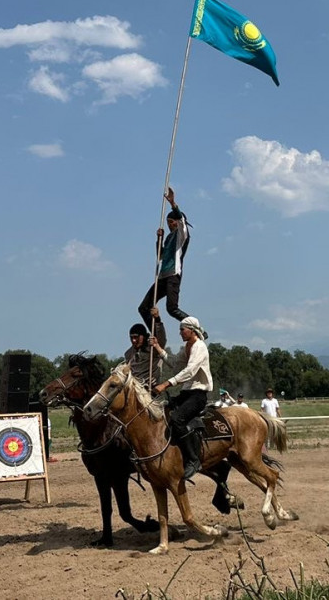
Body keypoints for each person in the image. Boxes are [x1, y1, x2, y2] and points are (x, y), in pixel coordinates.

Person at [151, 316, 212, 479]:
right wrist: (157, 347)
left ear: (192, 330)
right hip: (186, 393)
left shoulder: (199, 347)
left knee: (177, 419)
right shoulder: (187, 347)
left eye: (182, 329)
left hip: (198, 395)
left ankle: (193, 460)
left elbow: (190, 371)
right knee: (163, 412)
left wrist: (165, 384)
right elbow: (175, 363)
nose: (180, 333)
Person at [138, 187, 191, 330]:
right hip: (162, 276)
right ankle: (157, 332)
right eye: (167, 222)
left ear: (177, 222)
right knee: (144, 307)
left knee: (172, 308)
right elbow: (160, 256)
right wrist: (159, 240)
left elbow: (182, 220)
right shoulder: (168, 237)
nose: (169, 224)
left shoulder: (182, 236)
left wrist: (173, 203)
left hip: (173, 275)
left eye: (171, 221)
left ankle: (195, 327)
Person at [124, 313, 167, 389]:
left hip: (151, 389)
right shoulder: (128, 354)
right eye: (131, 338)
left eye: (136, 337)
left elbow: (161, 338)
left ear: (143, 336)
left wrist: (157, 320)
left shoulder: (152, 348)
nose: (134, 340)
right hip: (134, 390)